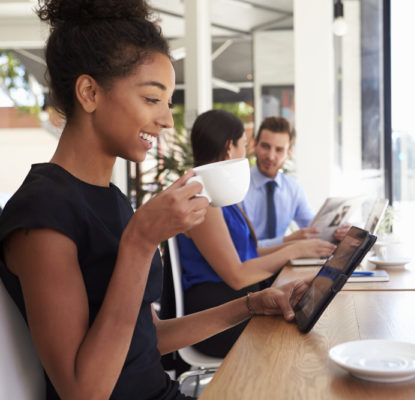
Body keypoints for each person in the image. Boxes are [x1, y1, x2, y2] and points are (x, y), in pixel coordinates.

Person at [0, 2, 309, 399]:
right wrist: (141, 241)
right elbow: (83, 391)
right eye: (152, 99)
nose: (167, 120)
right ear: (90, 92)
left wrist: (252, 304)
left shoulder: (110, 200)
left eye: (167, 103)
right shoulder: (41, 214)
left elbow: (150, 340)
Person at [178, 109, 335, 357]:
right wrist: (292, 249)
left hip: (234, 303)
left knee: (311, 315)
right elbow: (238, 276)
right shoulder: (203, 198)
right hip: (215, 316)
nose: (246, 154)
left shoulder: (218, 192)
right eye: (243, 145)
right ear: (230, 148)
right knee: (302, 329)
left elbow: (247, 253)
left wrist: (295, 248)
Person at [241, 117, 349, 247]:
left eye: (279, 150)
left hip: (285, 263)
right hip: (249, 264)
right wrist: (287, 241)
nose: (270, 156)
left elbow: (314, 229)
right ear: (255, 144)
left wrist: (337, 232)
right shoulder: (239, 188)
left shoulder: (293, 188)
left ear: (289, 153)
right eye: (265, 146)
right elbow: (241, 247)